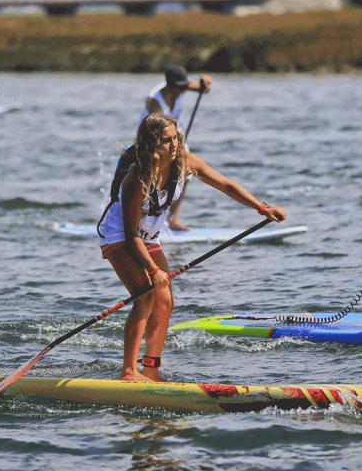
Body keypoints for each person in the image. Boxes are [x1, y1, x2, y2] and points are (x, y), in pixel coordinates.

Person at [98, 113, 285, 381]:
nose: (174, 145)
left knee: (165, 302)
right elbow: (130, 237)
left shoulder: (184, 162)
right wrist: (152, 269)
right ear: (152, 144)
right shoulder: (137, 177)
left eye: (176, 138)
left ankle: (150, 369)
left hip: (148, 236)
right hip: (120, 235)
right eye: (166, 140)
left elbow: (224, 184)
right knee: (144, 294)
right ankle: (128, 371)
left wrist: (262, 207)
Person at [139, 65, 213, 231]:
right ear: (168, 84)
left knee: (186, 175)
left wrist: (205, 83)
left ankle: (172, 220)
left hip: (174, 138)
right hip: (152, 140)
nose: (182, 90)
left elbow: (203, 90)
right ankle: (144, 218)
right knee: (154, 178)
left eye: (183, 86)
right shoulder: (154, 101)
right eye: (178, 87)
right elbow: (157, 131)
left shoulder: (180, 85)